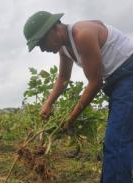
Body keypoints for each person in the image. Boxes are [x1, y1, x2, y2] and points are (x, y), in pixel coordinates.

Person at [23, 11, 133, 183]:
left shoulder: (82, 35)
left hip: (129, 76)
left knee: (117, 143)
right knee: (116, 142)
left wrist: (71, 118)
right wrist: (48, 104)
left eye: (41, 43)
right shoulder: (64, 48)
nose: (43, 49)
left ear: (54, 29)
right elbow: (63, 79)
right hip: (118, 82)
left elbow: (95, 82)